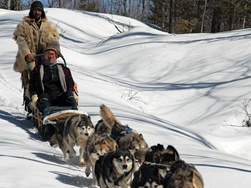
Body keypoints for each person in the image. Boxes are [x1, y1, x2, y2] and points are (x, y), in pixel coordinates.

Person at [12, 1, 60, 112]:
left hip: (44, 59)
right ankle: (31, 107)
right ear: (31, 11)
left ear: (42, 12)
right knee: (30, 83)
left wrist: (56, 51)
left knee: (45, 81)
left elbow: (54, 39)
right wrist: (27, 54)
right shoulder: (24, 25)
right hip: (29, 60)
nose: (37, 12)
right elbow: (21, 40)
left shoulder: (48, 26)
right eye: (35, 10)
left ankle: (45, 103)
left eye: (39, 10)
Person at [29, 45, 77, 115]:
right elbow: (32, 85)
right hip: (46, 97)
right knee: (43, 98)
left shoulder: (64, 70)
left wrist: (72, 92)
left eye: (52, 54)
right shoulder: (37, 70)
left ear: (56, 56)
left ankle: (74, 114)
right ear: (44, 56)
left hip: (60, 96)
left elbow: (70, 83)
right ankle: (47, 116)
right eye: (48, 54)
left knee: (69, 95)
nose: (50, 56)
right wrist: (34, 95)